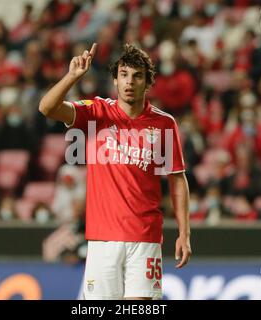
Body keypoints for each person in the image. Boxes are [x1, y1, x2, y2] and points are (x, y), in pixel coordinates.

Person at [39, 43, 192, 300]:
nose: (129, 82)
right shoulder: (96, 113)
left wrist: (184, 233)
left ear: (148, 82)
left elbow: (177, 179)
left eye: (137, 76)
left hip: (144, 237)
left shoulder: (164, 124)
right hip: (102, 239)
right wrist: (72, 77)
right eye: (124, 75)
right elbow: (47, 107)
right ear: (115, 80)